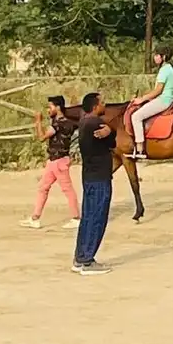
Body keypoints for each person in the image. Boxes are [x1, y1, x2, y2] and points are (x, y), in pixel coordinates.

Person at [19, 96, 81, 230]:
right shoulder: (68, 123)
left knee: (67, 189)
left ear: (58, 107)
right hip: (56, 161)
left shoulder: (58, 124)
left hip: (57, 161)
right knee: (43, 188)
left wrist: (38, 122)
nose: (48, 110)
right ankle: (35, 218)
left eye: (50, 107)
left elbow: (41, 137)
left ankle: (76, 217)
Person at [73, 92, 115, 275]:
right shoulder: (96, 123)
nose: (104, 105)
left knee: (88, 218)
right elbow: (113, 143)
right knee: (97, 218)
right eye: (102, 102)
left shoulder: (83, 123)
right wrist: (110, 131)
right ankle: (87, 261)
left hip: (89, 176)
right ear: (95, 106)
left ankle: (80, 256)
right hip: (99, 177)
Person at [127, 45, 173, 160]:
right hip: (166, 99)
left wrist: (142, 99)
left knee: (136, 116)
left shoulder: (164, 70)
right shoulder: (167, 68)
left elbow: (158, 90)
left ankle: (140, 148)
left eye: (156, 55)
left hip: (163, 100)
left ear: (163, 57)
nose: (154, 58)